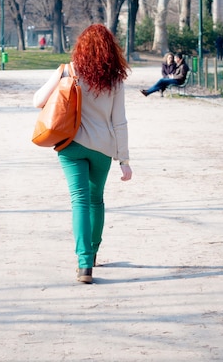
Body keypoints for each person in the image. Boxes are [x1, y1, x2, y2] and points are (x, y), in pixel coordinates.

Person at [33, 24, 133, 284]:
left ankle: (84, 264)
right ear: (111, 49)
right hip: (103, 148)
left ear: (81, 47)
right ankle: (94, 250)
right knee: (96, 200)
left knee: (79, 200)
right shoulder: (115, 79)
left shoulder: (67, 71)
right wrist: (124, 160)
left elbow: (38, 101)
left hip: (71, 144)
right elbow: (119, 121)